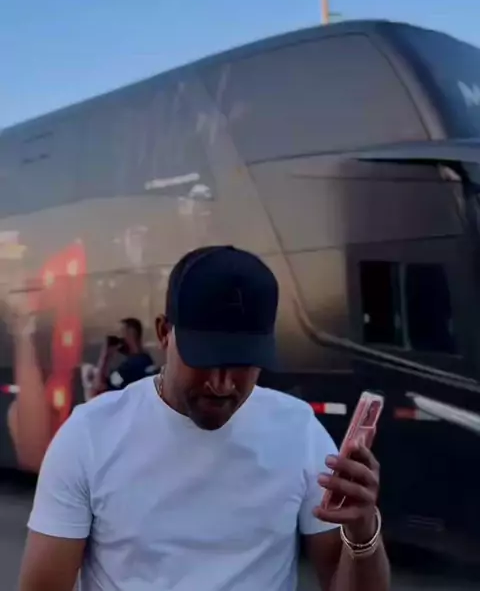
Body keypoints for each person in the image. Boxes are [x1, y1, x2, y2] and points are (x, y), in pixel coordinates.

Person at [18, 245, 391, 591]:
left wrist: (363, 533)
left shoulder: (299, 431)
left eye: (242, 363)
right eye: (204, 358)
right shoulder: (90, 435)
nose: (221, 384)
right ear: (164, 333)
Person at [92, 316, 156, 395]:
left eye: (121, 333)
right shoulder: (146, 360)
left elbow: (99, 388)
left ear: (130, 334)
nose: (119, 339)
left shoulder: (131, 366)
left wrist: (105, 355)